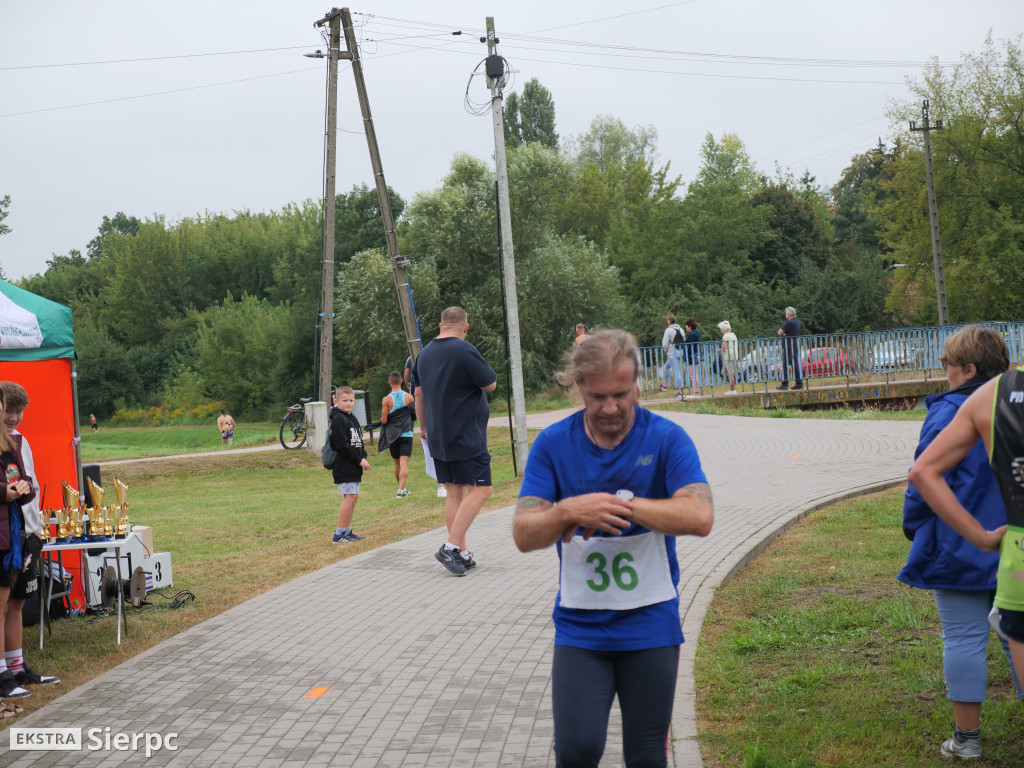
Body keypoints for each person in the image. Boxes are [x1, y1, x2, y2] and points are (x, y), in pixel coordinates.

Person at [513, 329, 714, 767]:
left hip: (650, 622)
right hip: (581, 628)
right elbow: (523, 533)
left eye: (621, 394)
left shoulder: (665, 438)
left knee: (645, 756)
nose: (610, 408)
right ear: (578, 386)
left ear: (637, 382)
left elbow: (700, 516)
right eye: (598, 396)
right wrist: (567, 511)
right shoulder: (553, 444)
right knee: (578, 748)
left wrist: (625, 506)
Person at [899, 327, 1020, 759]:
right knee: (1016, 636)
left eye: (947, 365)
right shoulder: (1014, 404)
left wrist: (914, 526)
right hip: (1015, 543)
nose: (944, 373)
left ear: (967, 369)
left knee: (962, 638)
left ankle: (967, 740)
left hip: (958, 544)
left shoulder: (952, 410)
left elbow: (923, 480)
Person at [413, 307, 497, 576]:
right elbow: (490, 383)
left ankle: (460, 552)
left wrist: (423, 427)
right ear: (465, 327)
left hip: (438, 435)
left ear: (440, 325)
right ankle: (450, 547)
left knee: (454, 492)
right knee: (482, 490)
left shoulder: (423, 354)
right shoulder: (464, 349)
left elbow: (418, 394)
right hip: (466, 435)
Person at [0, 386, 37, 707]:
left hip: (21, 534)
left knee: (16, 603)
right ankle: (3, 676)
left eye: (18, 411)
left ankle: (16, 667)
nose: (13, 417)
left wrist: (25, 489)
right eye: (7, 410)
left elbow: (28, 485)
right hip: (4, 537)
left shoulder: (18, 443)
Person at [329, 386, 371, 543]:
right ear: (336, 400)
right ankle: (338, 535)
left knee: (353, 497)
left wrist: (363, 456)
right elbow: (341, 445)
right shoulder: (338, 419)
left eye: (351, 400)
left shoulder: (351, 417)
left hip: (354, 464)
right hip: (344, 465)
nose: (348, 404)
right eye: (344, 401)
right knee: (350, 497)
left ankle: (347, 531)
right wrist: (359, 459)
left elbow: (358, 441)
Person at [406, 353, 446, 499]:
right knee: (435, 452)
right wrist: (423, 427)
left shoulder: (442, 372)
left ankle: (447, 484)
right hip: (433, 419)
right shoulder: (420, 374)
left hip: (444, 418)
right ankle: (441, 486)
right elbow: (418, 396)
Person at [379, 371, 415, 498]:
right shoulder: (409, 397)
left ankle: (401, 488)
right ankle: (401, 490)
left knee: (397, 463)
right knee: (404, 463)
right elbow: (413, 415)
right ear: (401, 381)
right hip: (407, 433)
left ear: (389, 382)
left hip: (393, 436)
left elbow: (384, 420)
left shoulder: (386, 400)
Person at [776, 306, 803, 391]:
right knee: (795, 364)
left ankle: (785, 384)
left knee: (785, 364)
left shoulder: (789, 323)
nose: (785, 315)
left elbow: (779, 332)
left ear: (789, 314)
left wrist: (784, 334)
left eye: (786, 313)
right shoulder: (797, 322)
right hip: (794, 344)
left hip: (788, 345)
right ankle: (799, 383)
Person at [660, 315, 686, 397]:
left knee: (676, 372)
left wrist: (667, 351)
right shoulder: (681, 329)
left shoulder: (668, 330)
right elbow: (684, 341)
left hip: (672, 352)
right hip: (680, 352)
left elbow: (664, 344)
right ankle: (664, 385)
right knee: (666, 366)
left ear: (669, 321)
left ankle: (680, 392)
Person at [718, 321, 739, 394]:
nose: (721, 330)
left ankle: (732, 390)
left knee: (729, 374)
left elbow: (724, 347)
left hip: (728, 356)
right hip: (734, 356)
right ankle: (732, 389)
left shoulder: (725, 336)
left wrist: (720, 350)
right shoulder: (733, 335)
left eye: (721, 329)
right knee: (731, 373)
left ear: (723, 329)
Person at [683, 317, 702, 397]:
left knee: (693, 375)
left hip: (691, 356)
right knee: (694, 374)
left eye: (686, 326)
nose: (686, 328)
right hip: (694, 355)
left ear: (690, 326)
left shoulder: (692, 334)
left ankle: (696, 392)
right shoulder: (696, 333)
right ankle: (696, 391)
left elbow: (688, 345)